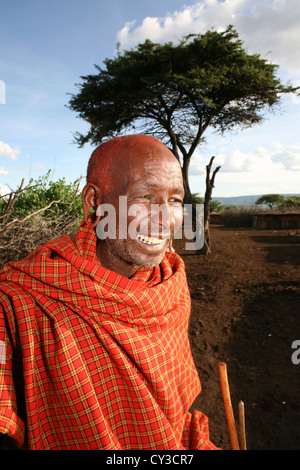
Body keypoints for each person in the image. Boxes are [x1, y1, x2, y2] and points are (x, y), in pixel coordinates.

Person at [0, 134, 218, 450]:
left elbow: (178, 409)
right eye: (145, 197)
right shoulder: (20, 302)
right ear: (95, 201)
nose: (164, 219)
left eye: (173, 200)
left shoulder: (171, 282)